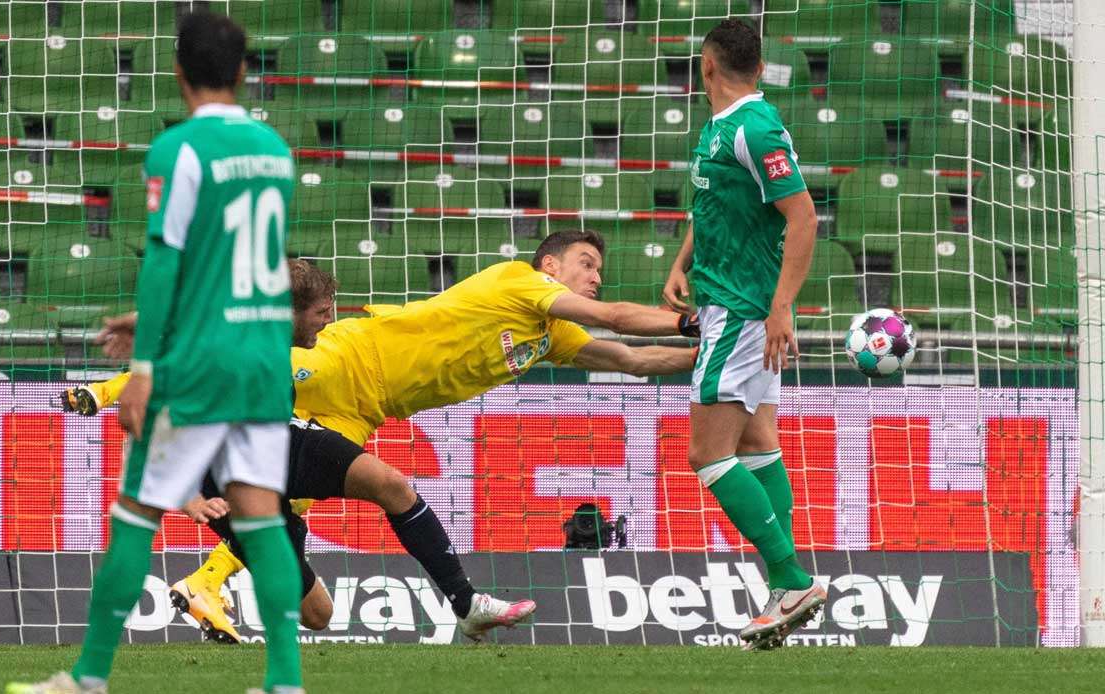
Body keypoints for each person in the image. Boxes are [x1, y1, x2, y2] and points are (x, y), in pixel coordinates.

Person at [65, 229, 701, 643]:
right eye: (585, 264)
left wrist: (711, 357)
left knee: (289, 500)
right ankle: (111, 386)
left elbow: (633, 358)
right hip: (354, 358)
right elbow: (616, 318)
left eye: (599, 269)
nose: (595, 276)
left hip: (364, 409)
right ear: (549, 264)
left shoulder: (550, 338)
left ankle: (207, 581)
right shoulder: (520, 282)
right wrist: (690, 320)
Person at [9, 12, 305, 694]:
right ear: (241, 71)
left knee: (135, 514)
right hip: (262, 361)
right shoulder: (274, 151)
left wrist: (142, 363)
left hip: (199, 363)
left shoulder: (180, 150)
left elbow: (170, 258)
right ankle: (285, 683)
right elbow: (239, 264)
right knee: (262, 519)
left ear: (177, 72)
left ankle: (86, 678)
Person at [662, 19, 825, 650]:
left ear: (706, 67)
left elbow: (803, 215)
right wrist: (683, 259)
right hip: (735, 300)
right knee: (759, 442)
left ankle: (790, 578)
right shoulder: (720, 127)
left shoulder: (755, 128)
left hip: (740, 311)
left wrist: (783, 306)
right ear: (756, 67)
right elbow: (720, 205)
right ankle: (781, 595)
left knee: (707, 454)